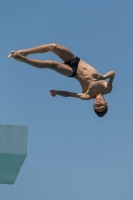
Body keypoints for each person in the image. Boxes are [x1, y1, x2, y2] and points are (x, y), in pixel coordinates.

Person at [8, 43, 115, 117]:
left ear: (93, 105)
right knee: (53, 46)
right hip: (76, 61)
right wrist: (104, 77)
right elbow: (113, 74)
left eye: (97, 106)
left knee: (51, 64)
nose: (98, 103)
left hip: (72, 72)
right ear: (106, 103)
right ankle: (25, 52)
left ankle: (23, 60)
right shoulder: (106, 89)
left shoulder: (87, 96)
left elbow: (69, 94)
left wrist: (58, 92)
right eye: (101, 105)